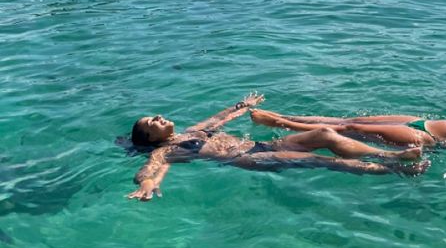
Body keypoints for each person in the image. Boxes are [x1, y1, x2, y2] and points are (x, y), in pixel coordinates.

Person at [127, 93, 426, 201]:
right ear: (151, 138)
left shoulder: (193, 131)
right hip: (247, 158)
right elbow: (151, 170)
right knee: (323, 161)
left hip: (260, 144)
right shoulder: (164, 151)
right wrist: (148, 185)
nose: (156, 117)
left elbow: (219, 118)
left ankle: (385, 154)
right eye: (149, 122)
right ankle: (396, 167)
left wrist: (243, 106)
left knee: (324, 133)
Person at [251, 91, 446, 191]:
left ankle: (277, 121)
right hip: (419, 118)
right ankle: (284, 117)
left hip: (425, 135)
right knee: (348, 122)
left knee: (348, 128)